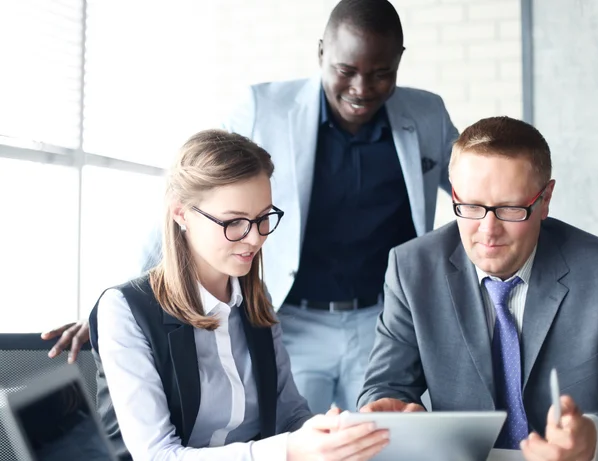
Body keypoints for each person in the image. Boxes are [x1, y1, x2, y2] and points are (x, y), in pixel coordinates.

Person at [43, 0, 458, 413]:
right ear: (321, 53)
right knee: (295, 443)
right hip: (291, 319)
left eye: (381, 73)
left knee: (388, 444)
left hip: (380, 321)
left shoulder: (427, 114)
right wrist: (118, 310)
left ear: (399, 61)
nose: (362, 88)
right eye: (345, 71)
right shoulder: (263, 108)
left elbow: (474, 192)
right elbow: (190, 196)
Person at [88, 130, 389, 460]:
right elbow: (158, 455)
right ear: (181, 213)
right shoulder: (125, 310)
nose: (255, 239)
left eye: (263, 219)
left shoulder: (253, 300)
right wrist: (287, 451)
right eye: (234, 223)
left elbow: (290, 416)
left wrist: (335, 436)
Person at [358, 116, 598, 460]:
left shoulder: (595, 270)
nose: (488, 231)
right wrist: (390, 414)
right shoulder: (413, 268)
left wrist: (593, 436)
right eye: (470, 206)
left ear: (545, 199)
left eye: (509, 209)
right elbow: (386, 385)